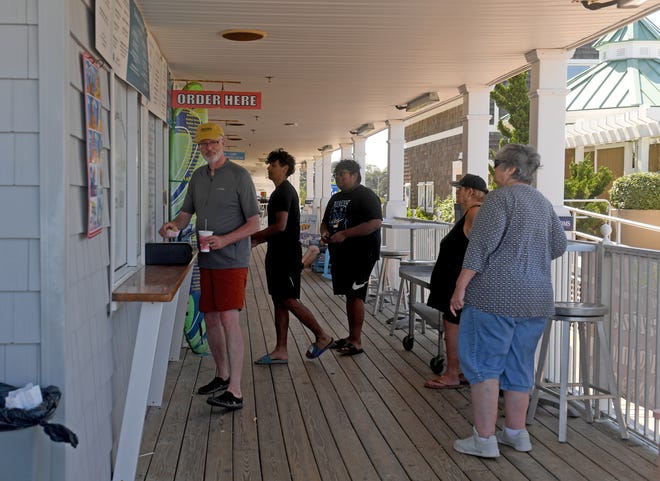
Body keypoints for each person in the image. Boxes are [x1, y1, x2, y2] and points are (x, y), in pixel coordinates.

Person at [449, 144, 567, 457]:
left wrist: (460, 286)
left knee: (485, 366)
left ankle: (484, 439)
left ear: (511, 169)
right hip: (537, 299)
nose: (495, 170)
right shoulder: (542, 202)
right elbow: (558, 245)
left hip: (494, 297)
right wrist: (527, 255)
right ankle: (517, 433)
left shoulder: (499, 199)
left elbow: (480, 247)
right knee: (520, 366)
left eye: (498, 164)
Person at [159, 122, 260, 410]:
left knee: (229, 320)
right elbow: (185, 214)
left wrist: (225, 240)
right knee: (212, 320)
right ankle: (221, 374)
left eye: (213, 142)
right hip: (206, 258)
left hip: (232, 260)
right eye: (203, 144)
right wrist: (173, 227)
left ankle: (236, 391)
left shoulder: (240, 176)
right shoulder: (198, 177)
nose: (208, 148)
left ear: (223, 142)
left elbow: (254, 223)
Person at [251, 149, 334, 364]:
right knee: (280, 301)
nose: (269, 168)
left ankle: (322, 336)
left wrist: (255, 237)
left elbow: (280, 226)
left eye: (273, 164)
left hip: (285, 256)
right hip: (279, 254)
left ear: (284, 167)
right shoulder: (282, 192)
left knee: (288, 299)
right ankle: (280, 350)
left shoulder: (283, 192)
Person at [423, 173, 488, 389]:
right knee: (458, 327)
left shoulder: (476, 213)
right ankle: (461, 372)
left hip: (459, 284)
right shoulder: (471, 212)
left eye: (459, 189)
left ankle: (452, 374)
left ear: (470, 192)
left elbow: (482, 248)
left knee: (454, 327)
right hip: (454, 282)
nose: (457, 192)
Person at [321, 159, 383, 356]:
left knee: (356, 295)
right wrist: (324, 232)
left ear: (355, 175)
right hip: (341, 254)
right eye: (337, 175)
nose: (339, 178)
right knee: (349, 294)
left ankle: (356, 341)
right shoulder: (335, 198)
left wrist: (345, 234)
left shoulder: (366, 195)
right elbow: (325, 222)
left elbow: (375, 223)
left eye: (343, 174)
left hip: (362, 254)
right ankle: (350, 336)